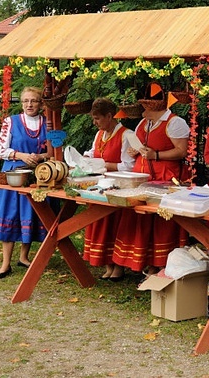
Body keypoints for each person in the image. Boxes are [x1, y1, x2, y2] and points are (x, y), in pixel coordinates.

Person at [113, 83, 189, 277]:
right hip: (143, 176)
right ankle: (140, 261)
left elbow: (181, 151)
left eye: (146, 105)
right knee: (140, 220)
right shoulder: (143, 123)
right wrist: (134, 151)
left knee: (160, 222)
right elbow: (140, 147)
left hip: (165, 177)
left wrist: (156, 155)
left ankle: (159, 264)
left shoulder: (175, 123)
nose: (143, 109)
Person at [0, 87, 49, 279]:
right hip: (14, 175)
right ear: (21, 103)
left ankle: (24, 256)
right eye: (25, 101)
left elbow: (53, 151)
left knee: (30, 213)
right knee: (11, 215)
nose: (29, 104)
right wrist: (21, 155)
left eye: (34, 101)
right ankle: (5, 263)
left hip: (36, 175)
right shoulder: (11, 122)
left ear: (41, 103)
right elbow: (1, 150)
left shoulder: (47, 124)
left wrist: (39, 157)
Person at [82, 97, 135, 281]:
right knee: (100, 223)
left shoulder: (127, 135)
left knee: (115, 225)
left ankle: (118, 266)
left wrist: (102, 165)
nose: (95, 122)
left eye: (97, 118)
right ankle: (107, 264)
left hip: (118, 187)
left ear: (109, 116)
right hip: (99, 185)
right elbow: (92, 152)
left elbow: (128, 166)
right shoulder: (99, 135)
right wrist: (85, 158)